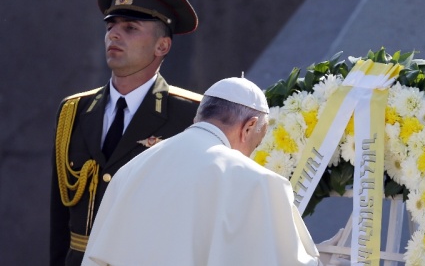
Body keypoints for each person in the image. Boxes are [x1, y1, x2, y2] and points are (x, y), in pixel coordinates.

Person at [50, 0, 203, 266]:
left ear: (162, 46)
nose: (114, 35)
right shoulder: (74, 111)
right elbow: (59, 220)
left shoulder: (192, 116)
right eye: (111, 26)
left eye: (130, 28)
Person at [81, 77, 322, 266]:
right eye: (255, 145)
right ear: (249, 128)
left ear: (199, 115)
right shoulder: (259, 182)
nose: (250, 154)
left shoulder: (131, 170)